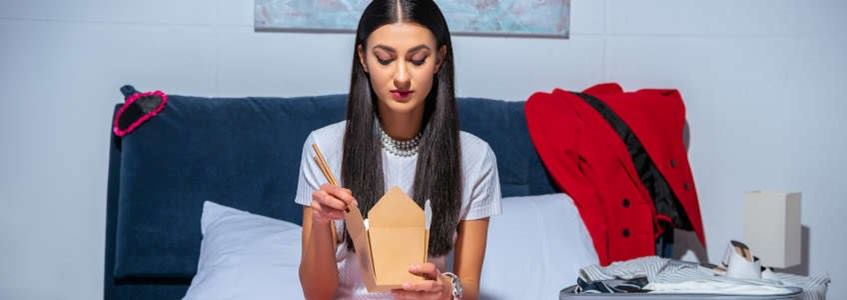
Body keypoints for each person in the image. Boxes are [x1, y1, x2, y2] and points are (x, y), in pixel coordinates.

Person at [296, 1, 501, 298]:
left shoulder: (475, 156)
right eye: (384, 59)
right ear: (363, 59)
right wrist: (320, 222)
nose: (402, 76)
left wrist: (448, 290)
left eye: (418, 60)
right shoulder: (323, 147)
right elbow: (317, 294)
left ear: (440, 60)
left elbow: (469, 287)